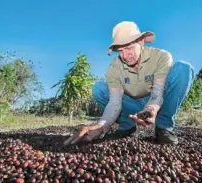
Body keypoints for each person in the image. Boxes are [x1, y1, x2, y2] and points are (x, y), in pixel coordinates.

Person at [64, 21, 195, 146]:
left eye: (129, 48)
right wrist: (101, 126)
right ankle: (127, 125)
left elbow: (158, 91)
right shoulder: (114, 68)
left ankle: (163, 127)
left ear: (141, 41)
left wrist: (151, 109)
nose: (125, 55)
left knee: (183, 69)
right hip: (131, 106)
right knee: (99, 88)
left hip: (157, 101)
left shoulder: (161, 56)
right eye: (120, 51)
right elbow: (114, 101)